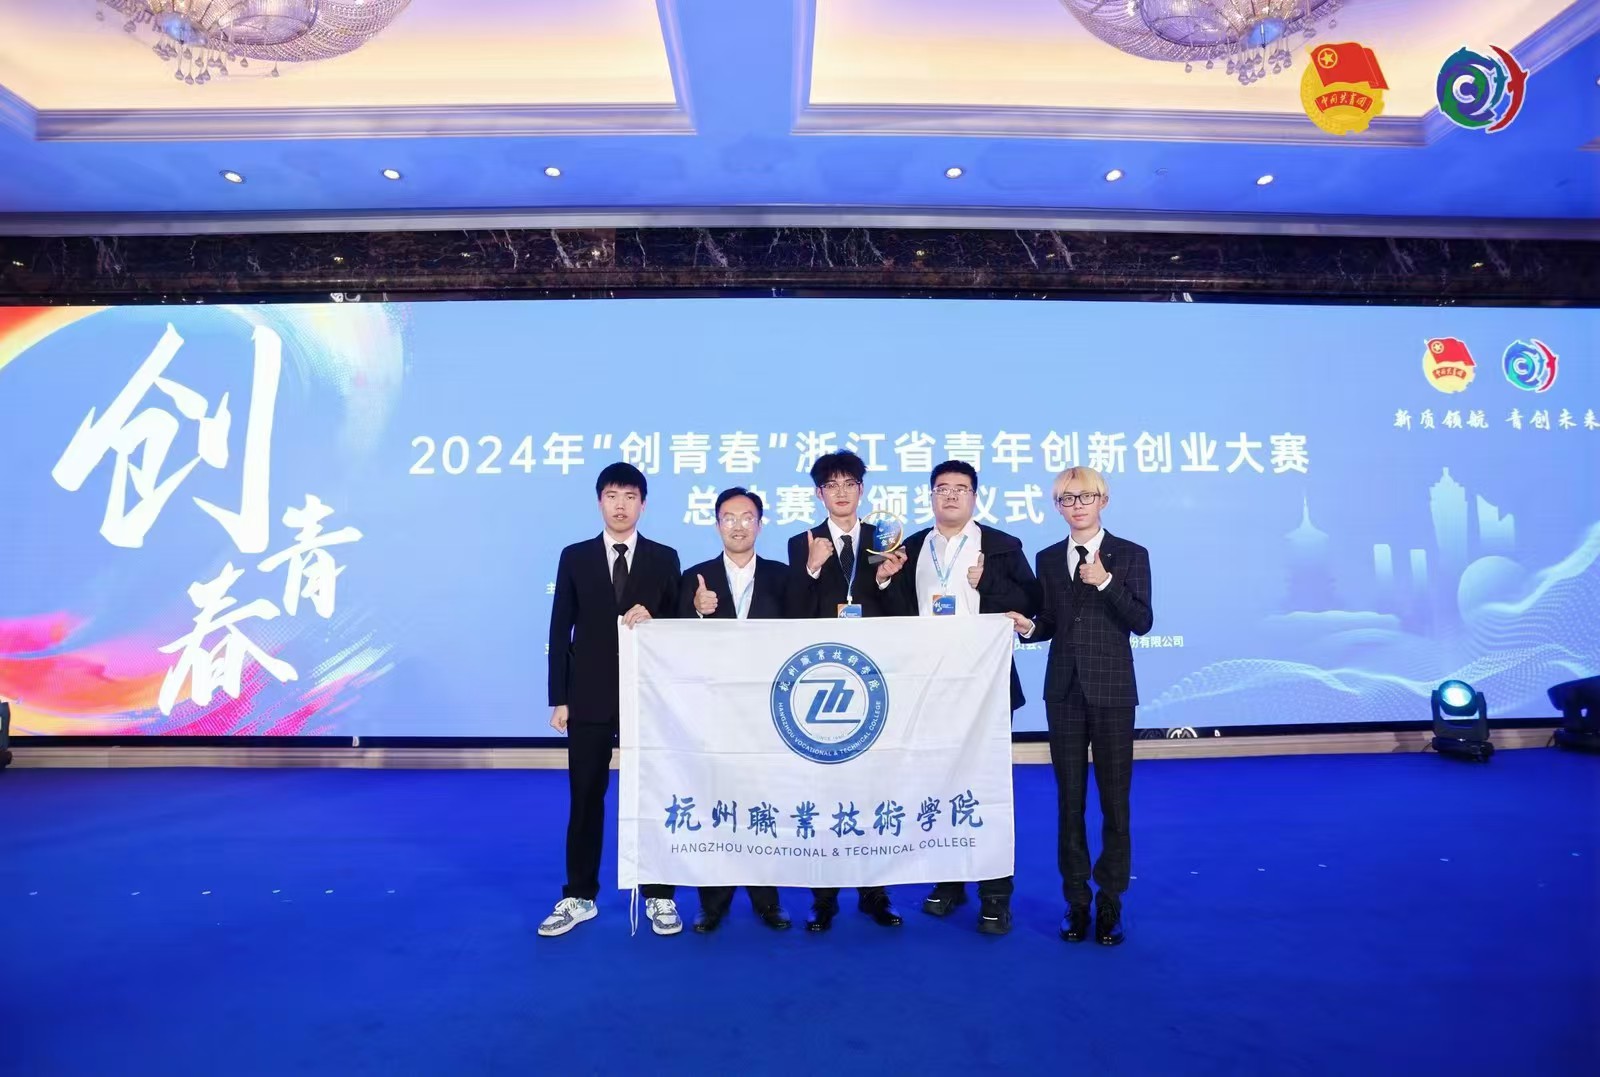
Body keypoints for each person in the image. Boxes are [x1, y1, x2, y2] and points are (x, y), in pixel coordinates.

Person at [887, 460, 1040, 935]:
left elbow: (1032, 603)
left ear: (975, 496)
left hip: (985, 688)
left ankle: (995, 893)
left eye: (961, 488)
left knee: (987, 788)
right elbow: (895, 615)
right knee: (937, 784)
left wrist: (986, 583)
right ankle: (949, 881)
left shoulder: (1002, 546)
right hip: (929, 688)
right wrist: (885, 580)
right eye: (942, 488)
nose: (951, 495)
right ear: (931, 495)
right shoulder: (912, 547)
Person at [1005, 466, 1152, 946]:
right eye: (1067, 499)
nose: (1077, 505)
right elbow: (1050, 620)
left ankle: (1110, 900)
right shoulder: (1048, 558)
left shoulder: (1131, 554)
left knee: (1115, 800)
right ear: (1057, 507)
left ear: (1103, 500)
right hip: (1064, 692)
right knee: (1069, 801)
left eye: (1085, 496)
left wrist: (1106, 582)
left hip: (1112, 691)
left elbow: (1142, 621)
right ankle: (1076, 900)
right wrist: (1030, 627)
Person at [540, 462, 684, 938]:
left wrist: (655, 616)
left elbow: (679, 625)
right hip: (589, 694)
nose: (620, 505)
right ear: (599, 501)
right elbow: (560, 628)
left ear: (643, 503)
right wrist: (559, 698)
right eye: (611, 496)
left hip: (649, 695)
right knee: (585, 796)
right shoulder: (575, 556)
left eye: (629, 496)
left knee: (658, 793)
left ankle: (660, 893)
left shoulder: (664, 557)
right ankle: (579, 895)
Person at [784, 449, 909, 931]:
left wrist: (885, 580)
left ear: (861, 490)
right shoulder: (803, 542)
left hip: (873, 679)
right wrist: (812, 570)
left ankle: (875, 891)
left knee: (874, 786)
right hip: (823, 681)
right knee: (825, 786)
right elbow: (793, 614)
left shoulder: (884, 539)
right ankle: (824, 896)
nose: (841, 492)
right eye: (831, 485)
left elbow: (903, 612)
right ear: (819, 493)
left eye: (849, 483)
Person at [678, 487, 793, 933]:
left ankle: (768, 900)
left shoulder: (784, 577)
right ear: (716, 524)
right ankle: (713, 902)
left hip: (769, 711)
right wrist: (695, 611)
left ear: (760, 524)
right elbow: (672, 641)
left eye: (747, 517)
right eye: (729, 518)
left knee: (765, 801)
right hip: (715, 712)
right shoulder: (695, 578)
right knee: (716, 800)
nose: (739, 526)